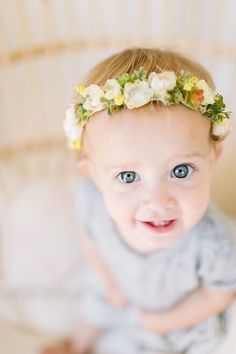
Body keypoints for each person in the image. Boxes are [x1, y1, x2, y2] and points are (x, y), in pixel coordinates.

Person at [45, 48, 236, 354]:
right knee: (91, 309)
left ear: (212, 161)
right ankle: (76, 346)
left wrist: (162, 322)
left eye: (181, 170)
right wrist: (109, 283)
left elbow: (219, 294)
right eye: (128, 177)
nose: (158, 200)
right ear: (93, 175)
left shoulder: (214, 242)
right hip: (118, 290)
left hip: (180, 318)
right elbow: (91, 241)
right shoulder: (93, 204)